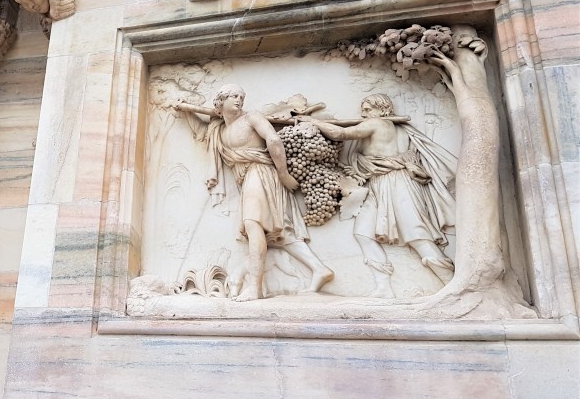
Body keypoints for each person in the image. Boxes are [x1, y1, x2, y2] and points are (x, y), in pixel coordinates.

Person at [174, 84, 333, 300]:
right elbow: (203, 132)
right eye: (233, 96)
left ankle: (255, 288)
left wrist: (284, 174)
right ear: (221, 102)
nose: (239, 100)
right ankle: (319, 269)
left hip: (262, 172)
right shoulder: (219, 129)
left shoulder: (251, 118)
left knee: (253, 225)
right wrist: (187, 111)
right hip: (246, 178)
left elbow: (273, 139)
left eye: (241, 96)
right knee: (280, 233)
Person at [304, 93, 456, 296]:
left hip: (396, 182)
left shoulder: (377, 123)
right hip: (377, 184)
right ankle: (384, 288)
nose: (363, 113)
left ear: (382, 109)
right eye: (363, 109)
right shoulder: (395, 128)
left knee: (416, 233)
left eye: (368, 109)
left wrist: (311, 121)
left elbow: (340, 134)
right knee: (363, 232)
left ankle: (450, 286)